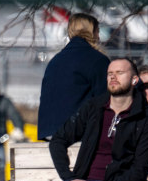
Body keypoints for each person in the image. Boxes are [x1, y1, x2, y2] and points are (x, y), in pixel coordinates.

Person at [37, 12, 110, 140]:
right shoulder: (97, 60)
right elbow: (105, 99)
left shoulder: (56, 60)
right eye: (97, 32)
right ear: (91, 32)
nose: (99, 37)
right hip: (77, 133)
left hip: (49, 131)